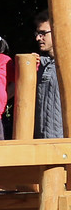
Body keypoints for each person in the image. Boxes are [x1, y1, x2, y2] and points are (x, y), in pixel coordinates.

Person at [38, 12, 63, 141]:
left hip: (63, 143)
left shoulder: (67, 66)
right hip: (40, 142)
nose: (38, 38)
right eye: (37, 34)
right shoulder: (38, 65)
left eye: (43, 33)